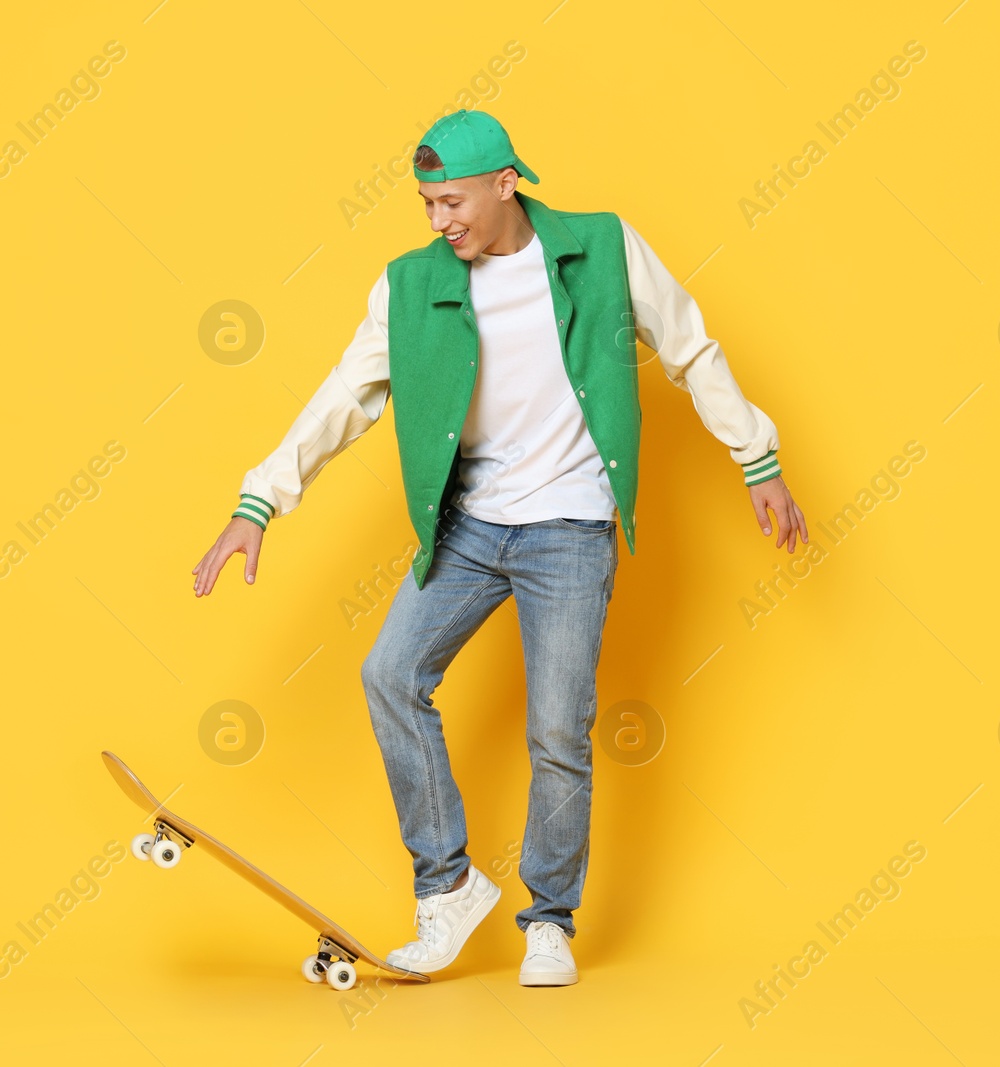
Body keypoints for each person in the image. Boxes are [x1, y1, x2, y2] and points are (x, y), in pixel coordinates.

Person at [193, 109, 808, 986]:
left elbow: (690, 346)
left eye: (452, 202)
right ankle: (446, 888)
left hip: (571, 525)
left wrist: (757, 458)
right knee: (390, 675)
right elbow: (346, 396)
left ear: (505, 183)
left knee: (560, 725)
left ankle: (549, 919)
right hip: (471, 524)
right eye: (427, 205)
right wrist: (260, 501)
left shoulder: (603, 247)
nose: (440, 222)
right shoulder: (408, 285)